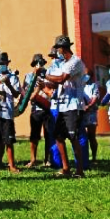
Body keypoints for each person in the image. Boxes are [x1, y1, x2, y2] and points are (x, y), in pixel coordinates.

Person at [43, 35, 86, 178]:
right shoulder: (63, 64)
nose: (57, 52)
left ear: (63, 48)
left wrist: (46, 76)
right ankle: (66, 168)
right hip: (62, 106)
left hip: (73, 106)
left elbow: (62, 79)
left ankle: (79, 171)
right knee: (58, 137)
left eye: (58, 49)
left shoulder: (75, 61)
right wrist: (43, 82)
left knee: (73, 138)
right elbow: (55, 82)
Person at [24, 54, 52, 167]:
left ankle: (48, 159)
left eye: (41, 63)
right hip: (35, 109)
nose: (39, 65)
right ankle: (33, 159)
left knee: (48, 135)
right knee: (34, 136)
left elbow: (51, 90)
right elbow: (27, 93)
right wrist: (37, 87)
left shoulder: (48, 74)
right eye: (36, 63)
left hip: (48, 108)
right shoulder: (29, 76)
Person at [81, 70, 100, 163]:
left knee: (91, 136)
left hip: (91, 112)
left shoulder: (94, 85)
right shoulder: (79, 85)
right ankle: (84, 157)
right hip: (81, 113)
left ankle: (94, 157)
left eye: (87, 74)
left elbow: (94, 98)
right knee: (81, 136)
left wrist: (88, 106)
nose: (85, 76)